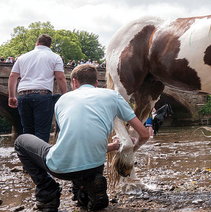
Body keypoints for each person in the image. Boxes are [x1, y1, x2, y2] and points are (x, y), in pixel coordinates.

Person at [14, 64, 150, 211]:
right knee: (86, 159)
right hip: (95, 166)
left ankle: (47, 191)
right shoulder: (113, 96)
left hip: (61, 169)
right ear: (96, 84)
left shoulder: (62, 100)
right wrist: (130, 149)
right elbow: (144, 134)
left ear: (74, 82)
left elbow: (74, 141)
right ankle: (88, 188)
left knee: (21, 141)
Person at [8, 34, 68, 142]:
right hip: (42, 96)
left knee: (28, 131)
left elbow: (13, 76)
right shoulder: (55, 57)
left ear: (37, 43)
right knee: (42, 132)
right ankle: (40, 158)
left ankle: (28, 157)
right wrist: (65, 95)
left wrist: (11, 96)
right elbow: (60, 78)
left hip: (23, 96)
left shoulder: (22, 57)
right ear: (50, 46)